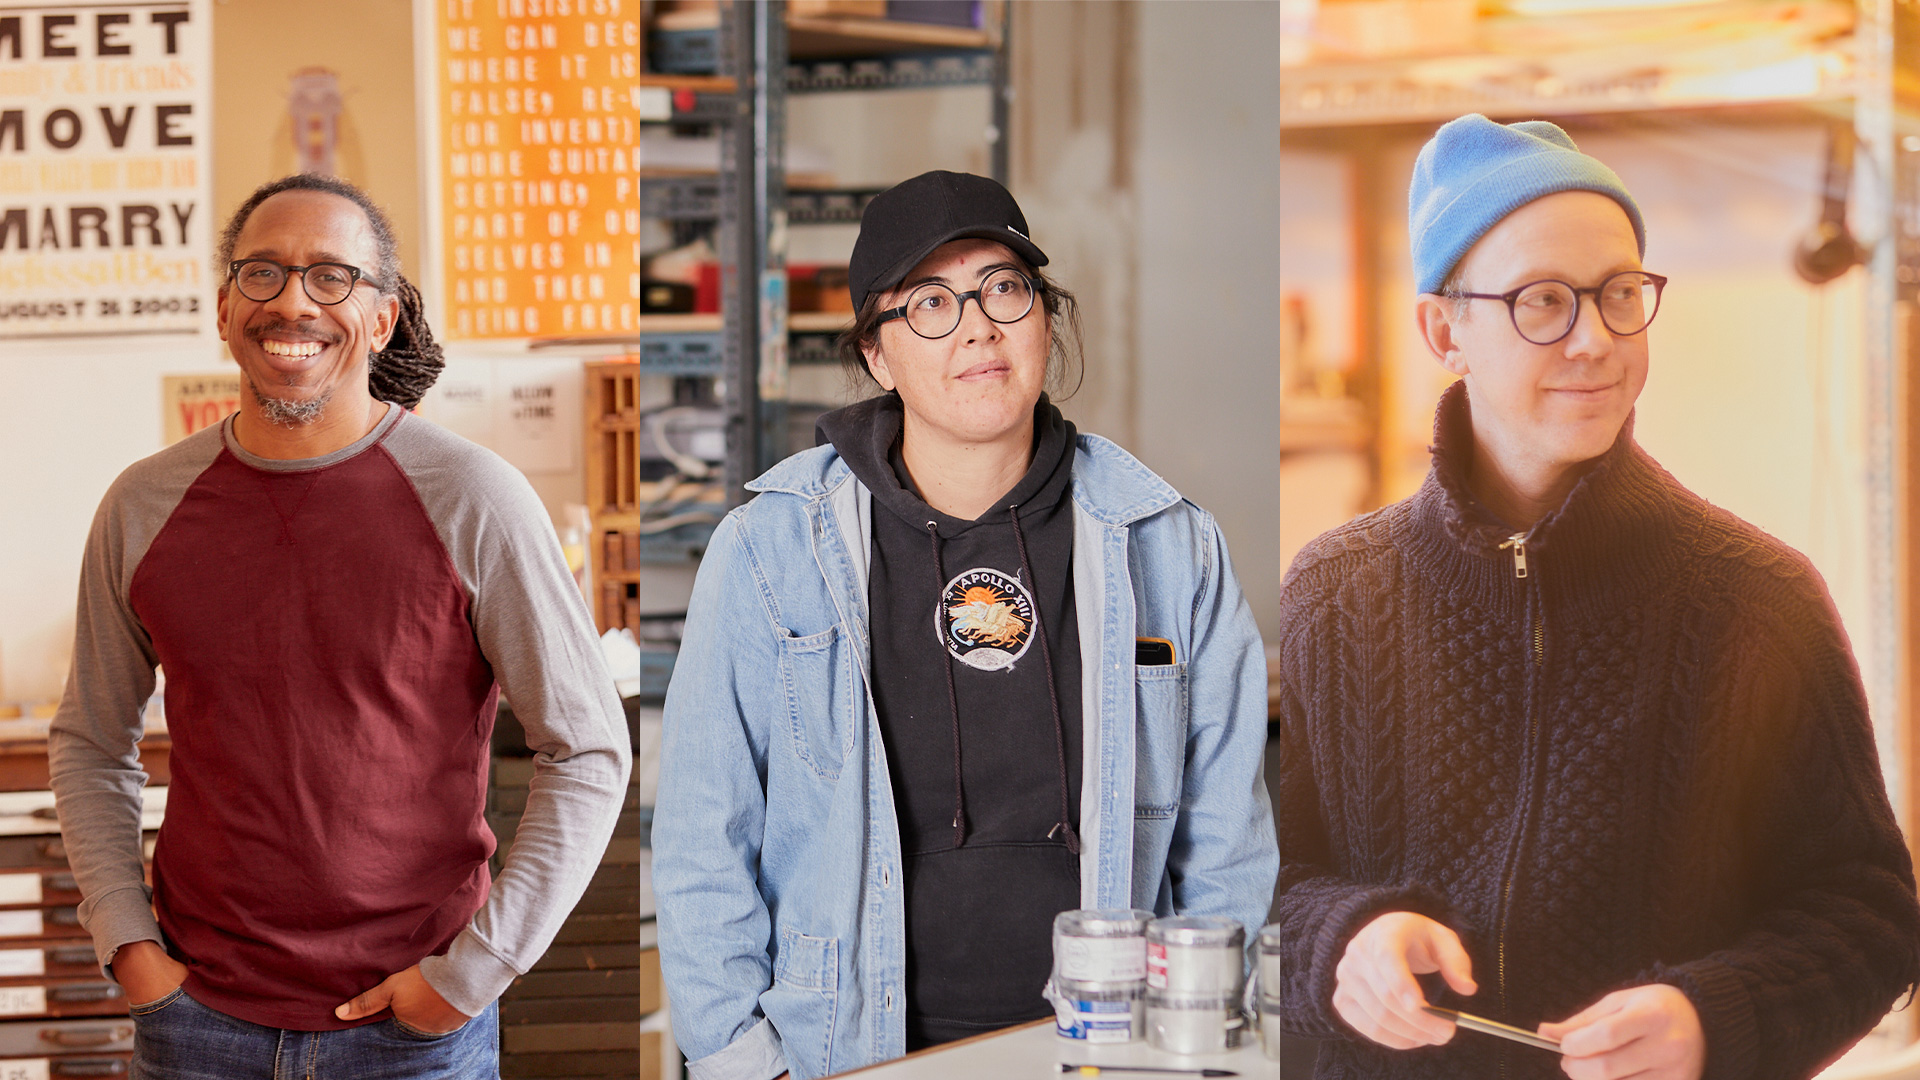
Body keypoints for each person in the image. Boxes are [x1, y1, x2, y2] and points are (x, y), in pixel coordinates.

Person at [1272, 114, 1920, 1080]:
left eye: (1620, 294)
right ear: (1444, 328)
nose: (1596, 340)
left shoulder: (1759, 602)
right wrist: (1338, 943)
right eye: (1543, 301)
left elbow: (1869, 919)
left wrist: (1716, 1016)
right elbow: (1235, 880)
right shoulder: (1332, 594)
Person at [650, 170, 1277, 1080]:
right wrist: (745, 1064)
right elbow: (705, 841)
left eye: (1005, 289)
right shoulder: (771, 550)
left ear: (1045, 318)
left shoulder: (1168, 543)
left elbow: (1226, 838)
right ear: (877, 354)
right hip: (850, 1053)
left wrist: (1202, 1041)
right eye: (931, 303)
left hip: (1114, 1050)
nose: (979, 325)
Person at [48, 173, 633, 1078]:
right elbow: (91, 740)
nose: (292, 303)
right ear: (222, 306)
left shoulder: (474, 498)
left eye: (331, 277)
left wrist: (476, 971)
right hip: (195, 1019)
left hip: (412, 1030)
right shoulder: (142, 505)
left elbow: (589, 748)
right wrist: (127, 944)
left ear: (383, 317)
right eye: (262, 273)